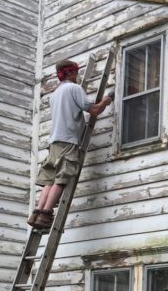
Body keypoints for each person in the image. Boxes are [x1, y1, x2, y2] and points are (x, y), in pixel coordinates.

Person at [28, 59, 113, 231]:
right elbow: (94, 111)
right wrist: (106, 100)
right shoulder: (74, 89)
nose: (78, 75)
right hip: (68, 141)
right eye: (76, 72)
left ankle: (37, 214)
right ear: (70, 73)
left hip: (54, 142)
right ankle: (45, 215)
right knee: (62, 179)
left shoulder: (56, 93)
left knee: (49, 181)